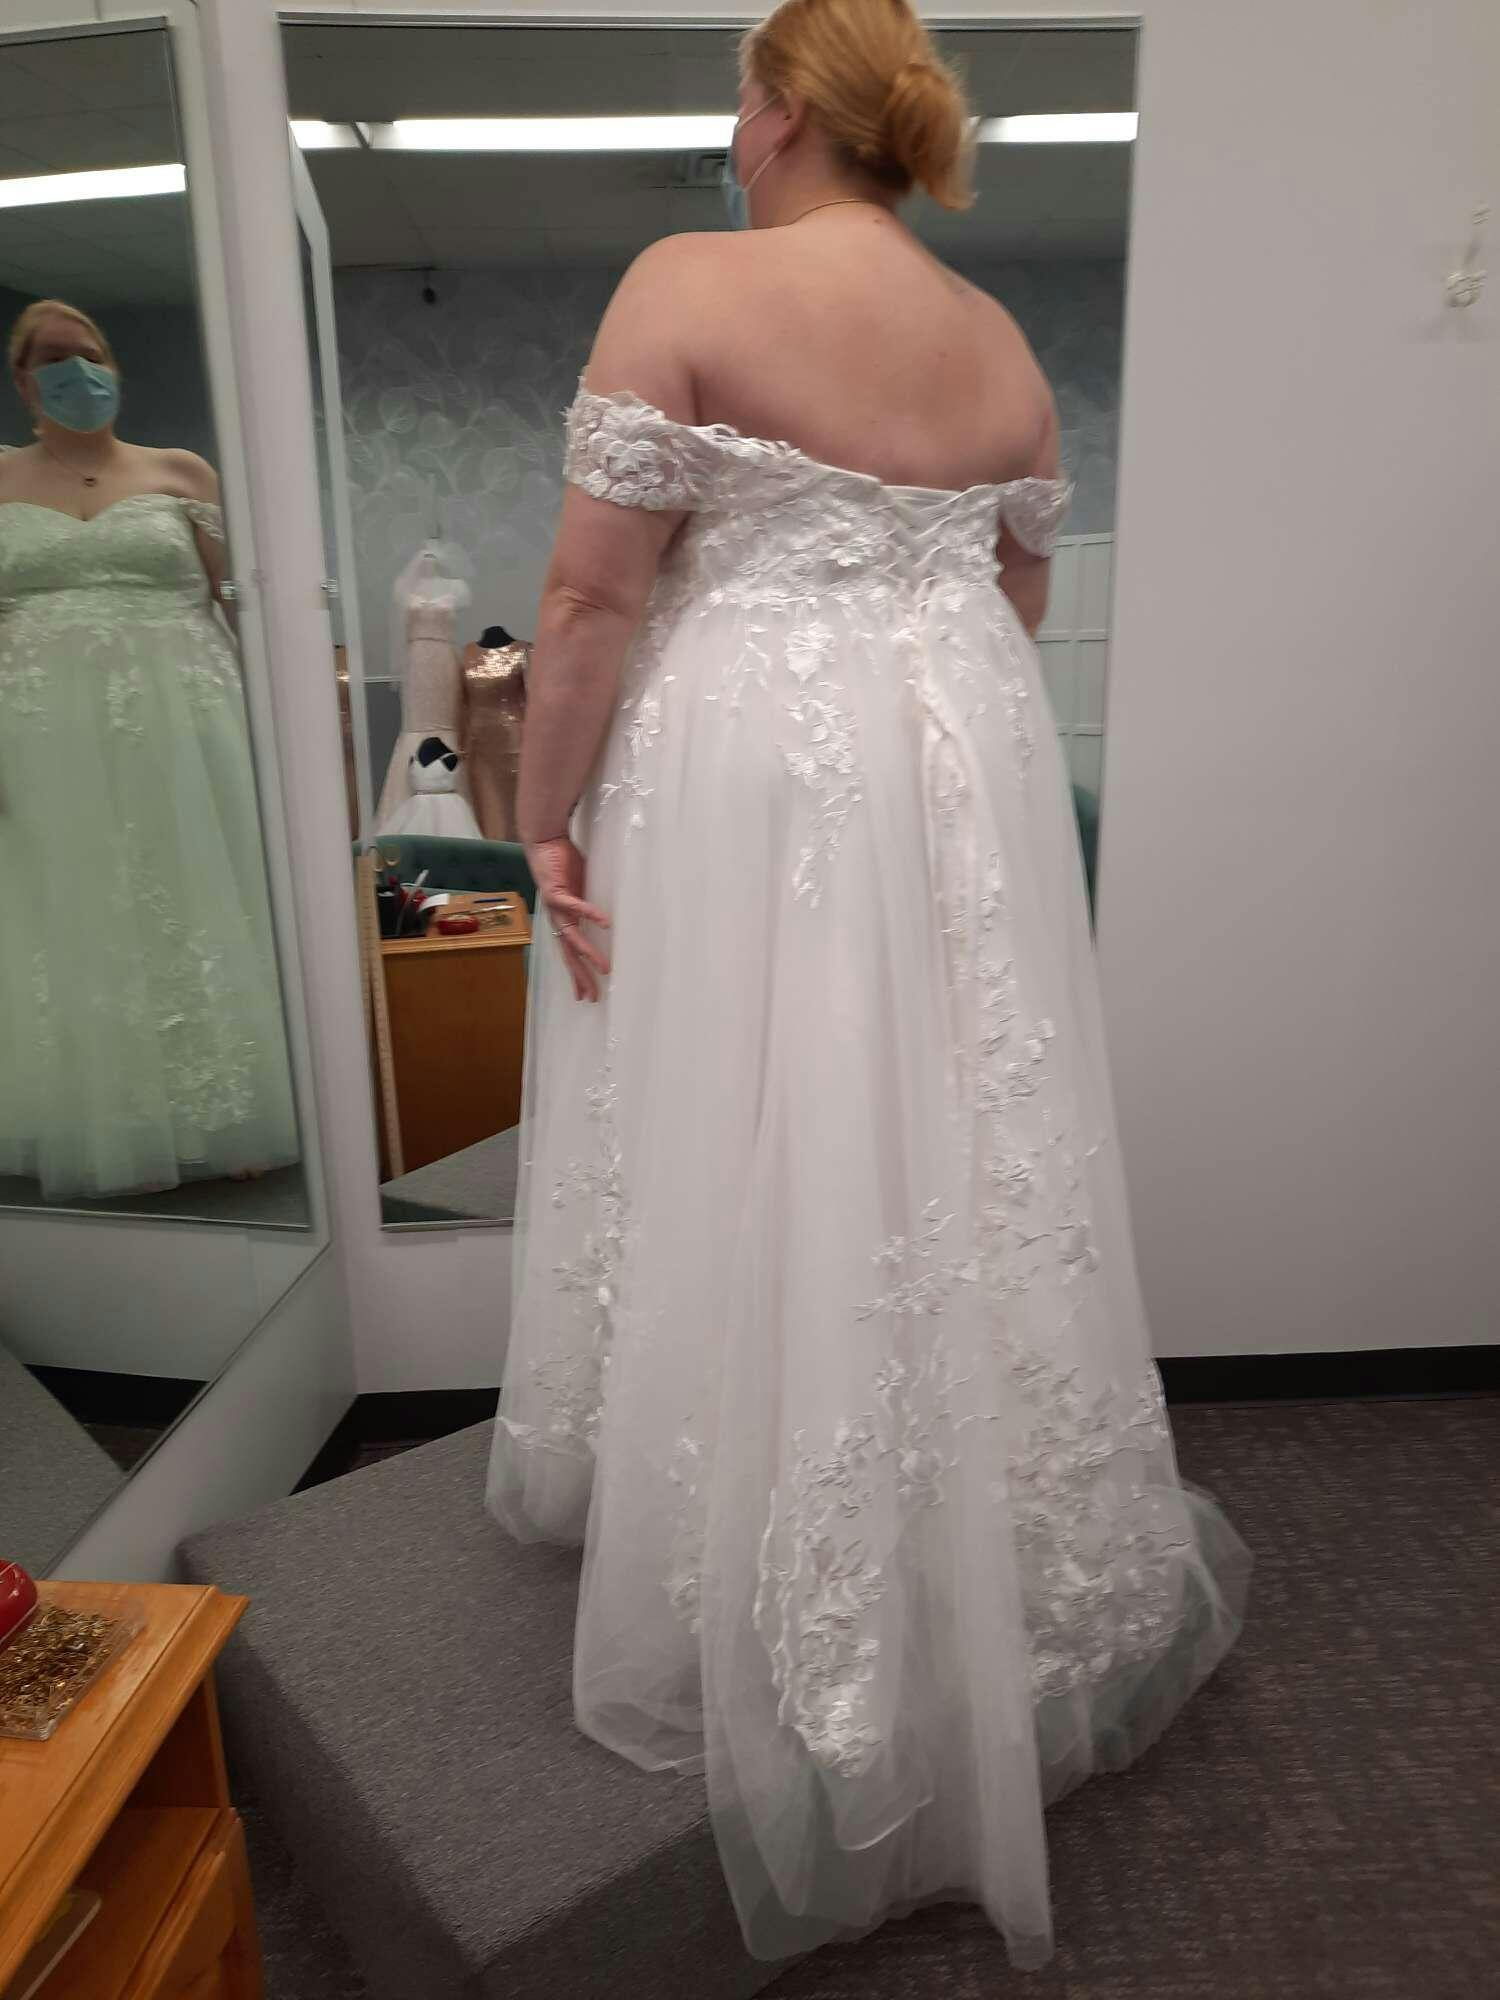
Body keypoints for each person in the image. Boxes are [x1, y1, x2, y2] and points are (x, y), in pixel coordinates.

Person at [487, 0, 1252, 1972]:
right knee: (944, 1120)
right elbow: (1015, 595)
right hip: (952, 774)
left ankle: (772, 1548)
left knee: (758, 1100)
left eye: (740, 95)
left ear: (779, 110)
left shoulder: (692, 279)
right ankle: (984, 1549)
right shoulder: (997, 343)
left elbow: (587, 596)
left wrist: (539, 824)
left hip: (751, 767)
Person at [0, 299, 298, 1199]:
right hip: (40, 728)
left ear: (115, 367)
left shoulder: (179, 471)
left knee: (196, 889)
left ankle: (230, 1107)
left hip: (185, 722)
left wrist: (288, 731)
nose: (77, 373)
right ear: (23, 382)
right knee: (68, 902)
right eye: (54, 359)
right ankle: (88, 1113)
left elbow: (242, 607)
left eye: (89, 355)